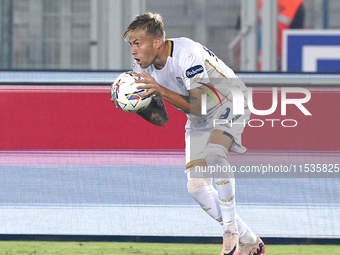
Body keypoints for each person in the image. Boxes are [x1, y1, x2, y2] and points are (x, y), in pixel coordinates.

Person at [120, 12, 265, 255]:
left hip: (231, 101)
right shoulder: (141, 67)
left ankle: (230, 232)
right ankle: (250, 239)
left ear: (157, 42)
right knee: (196, 186)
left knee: (215, 155)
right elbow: (162, 119)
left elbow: (201, 104)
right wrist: (132, 104)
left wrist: (161, 90)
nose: (133, 51)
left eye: (137, 43)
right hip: (199, 117)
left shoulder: (188, 55)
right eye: (131, 45)